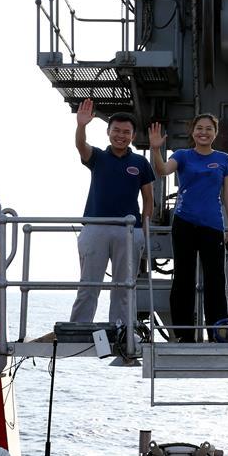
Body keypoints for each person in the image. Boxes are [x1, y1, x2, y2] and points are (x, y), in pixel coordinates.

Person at [149, 114, 228, 342]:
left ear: (215, 133)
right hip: (185, 222)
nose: (204, 132)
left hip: (213, 226)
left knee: (215, 280)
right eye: (199, 128)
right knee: (183, 278)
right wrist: (156, 149)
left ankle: (218, 331)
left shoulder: (224, 160)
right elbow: (163, 170)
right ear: (193, 132)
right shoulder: (183, 156)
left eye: (209, 129)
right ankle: (183, 333)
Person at [69, 98, 155, 328]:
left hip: (128, 230)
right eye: (116, 130)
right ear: (108, 132)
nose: (121, 135)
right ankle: (78, 327)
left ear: (133, 136)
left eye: (126, 132)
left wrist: (143, 229)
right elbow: (81, 146)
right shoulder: (98, 157)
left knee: (125, 286)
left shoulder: (140, 163)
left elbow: (149, 199)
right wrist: (81, 125)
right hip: (96, 227)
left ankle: (122, 328)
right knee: (89, 284)